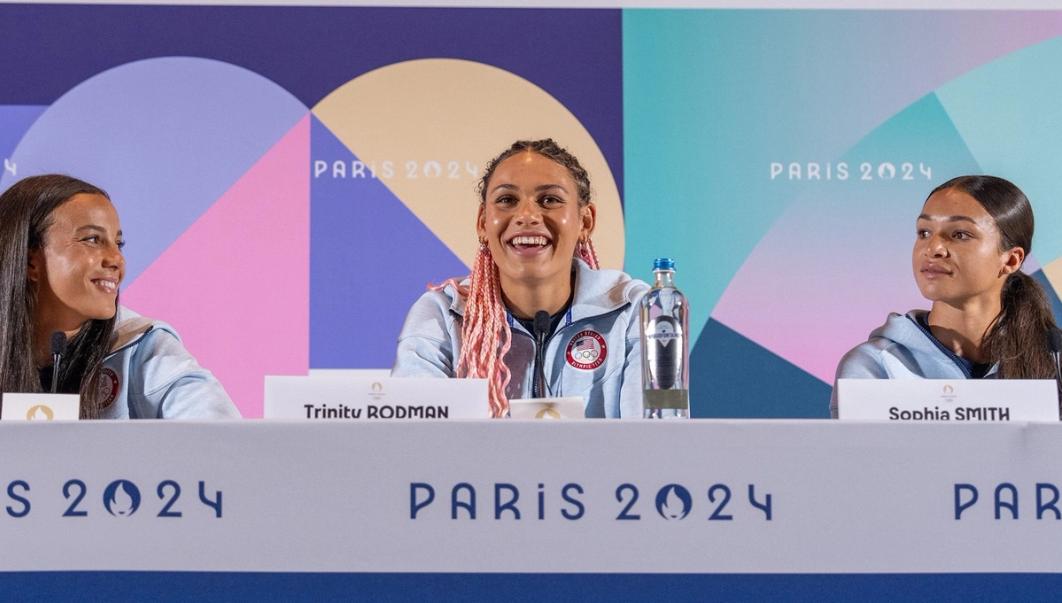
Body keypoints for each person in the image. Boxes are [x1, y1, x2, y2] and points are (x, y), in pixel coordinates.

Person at [392, 139, 649, 418]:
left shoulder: (635, 309)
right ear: (482, 223)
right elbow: (416, 440)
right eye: (507, 200)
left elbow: (653, 441)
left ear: (585, 222)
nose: (526, 215)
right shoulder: (442, 314)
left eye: (549, 200)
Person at [0, 174, 240, 419]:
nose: (117, 260)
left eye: (119, 243)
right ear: (31, 261)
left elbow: (224, 440)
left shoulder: (141, 347)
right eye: (92, 239)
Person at [831, 175, 1060, 417]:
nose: (933, 248)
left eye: (960, 234)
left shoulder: (1055, 358)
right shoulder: (874, 365)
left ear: (1011, 260)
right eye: (924, 232)